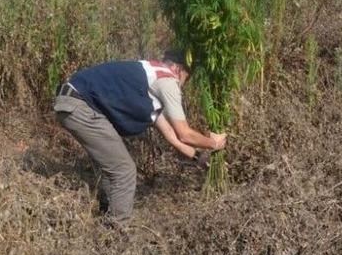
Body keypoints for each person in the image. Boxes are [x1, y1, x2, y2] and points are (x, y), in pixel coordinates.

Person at [53, 50, 226, 227]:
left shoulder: (149, 80)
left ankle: (105, 215)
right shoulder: (167, 79)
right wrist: (214, 142)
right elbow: (184, 133)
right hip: (81, 105)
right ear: (177, 68)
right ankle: (116, 232)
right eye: (186, 78)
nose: (183, 84)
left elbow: (173, 137)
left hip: (72, 102)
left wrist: (199, 156)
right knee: (124, 169)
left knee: (110, 165)